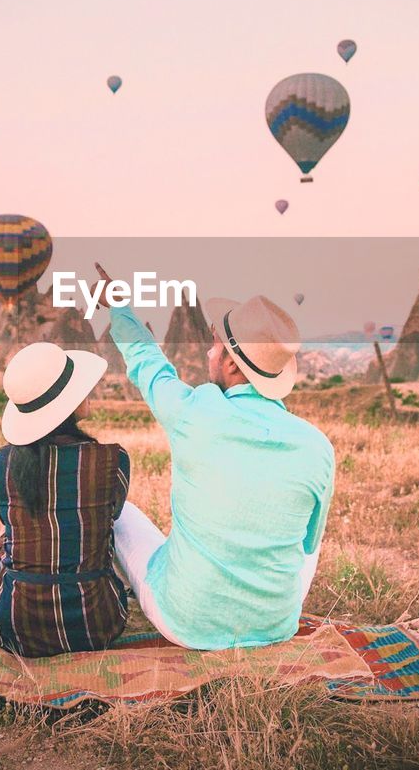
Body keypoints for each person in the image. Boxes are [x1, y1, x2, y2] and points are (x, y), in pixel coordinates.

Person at [94, 264, 334, 651]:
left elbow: (148, 366)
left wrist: (119, 307)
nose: (207, 351)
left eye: (215, 345)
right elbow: (307, 544)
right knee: (308, 536)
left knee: (120, 513)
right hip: (276, 625)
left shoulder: (195, 412)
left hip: (186, 624)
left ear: (232, 365)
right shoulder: (318, 446)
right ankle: (260, 608)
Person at [0, 341, 131, 657]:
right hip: (95, 624)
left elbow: (7, 521)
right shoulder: (113, 460)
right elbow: (112, 516)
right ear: (68, 404)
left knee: (10, 536)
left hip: (14, 627)